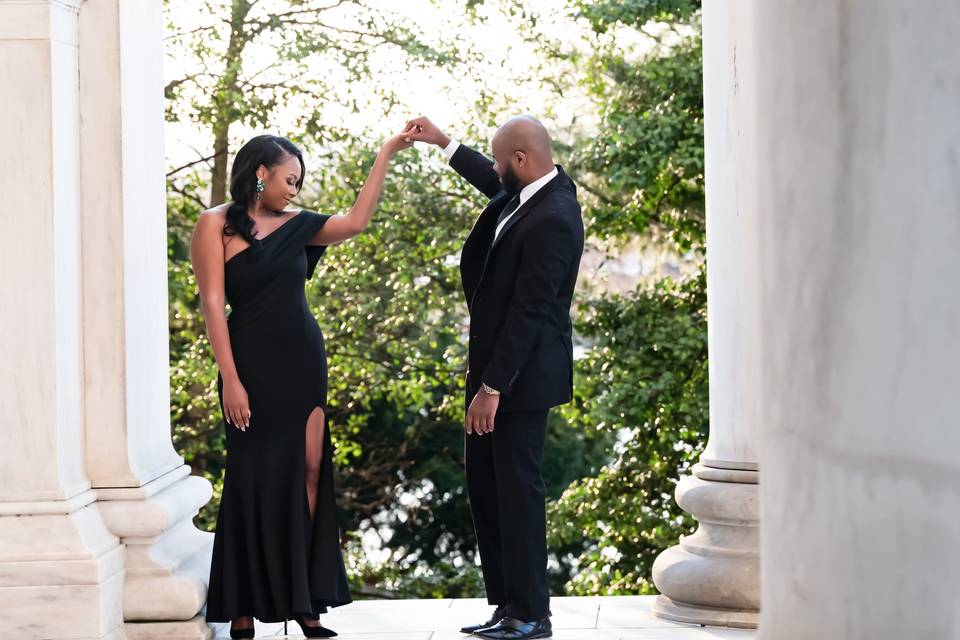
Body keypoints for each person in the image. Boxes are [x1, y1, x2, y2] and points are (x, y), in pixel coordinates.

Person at [190, 131, 412, 638]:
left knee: (310, 471)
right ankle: (243, 603)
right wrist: (231, 380)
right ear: (261, 172)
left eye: (300, 181)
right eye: (290, 179)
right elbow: (212, 306)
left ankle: (303, 599)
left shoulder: (301, 226)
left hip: (303, 362)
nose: (295, 189)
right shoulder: (215, 225)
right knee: (248, 476)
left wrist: (385, 153)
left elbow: (356, 222)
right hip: (249, 366)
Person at [403, 115, 584, 640]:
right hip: (494, 372)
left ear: (522, 163)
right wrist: (444, 142)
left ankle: (531, 613)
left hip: (518, 381)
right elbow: (491, 177)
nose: (498, 170)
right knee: (487, 489)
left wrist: (492, 389)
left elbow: (530, 310)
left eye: (503, 161)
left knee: (518, 493)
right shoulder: (527, 192)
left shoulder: (555, 217)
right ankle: (507, 606)